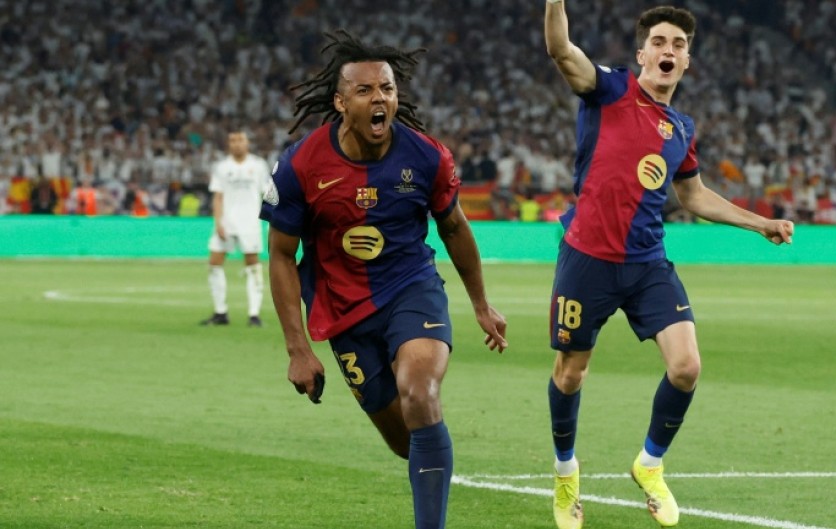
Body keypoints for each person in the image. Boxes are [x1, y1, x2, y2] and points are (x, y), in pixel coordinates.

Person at [543, 4, 795, 528]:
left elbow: (695, 197)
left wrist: (760, 223)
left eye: (678, 45)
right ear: (642, 54)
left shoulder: (680, 127)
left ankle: (650, 464)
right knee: (570, 374)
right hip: (586, 258)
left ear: (686, 63)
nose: (669, 51)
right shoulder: (609, 89)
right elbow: (561, 50)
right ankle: (567, 473)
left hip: (647, 264)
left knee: (686, 367)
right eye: (659, 42)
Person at [260, 31, 508, 529]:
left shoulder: (426, 158)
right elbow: (283, 256)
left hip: (410, 291)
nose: (380, 99)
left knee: (420, 391)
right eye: (366, 90)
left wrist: (481, 304)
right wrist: (297, 348)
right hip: (343, 313)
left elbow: (454, 227)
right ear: (340, 101)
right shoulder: (299, 166)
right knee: (406, 441)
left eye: (387, 89)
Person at [200, 130, 271, 327]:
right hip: (227, 222)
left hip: (250, 222)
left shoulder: (258, 165)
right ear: (228, 144)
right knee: (214, 263)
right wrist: (218, 222)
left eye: (240, 140)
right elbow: (218, 196)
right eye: (232, 140)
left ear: (247, 143)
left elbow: (266, 192)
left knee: (253, 265)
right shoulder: (222, 167)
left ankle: (254, 314)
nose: (236, 144)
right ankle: (220, 312)